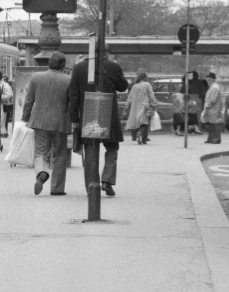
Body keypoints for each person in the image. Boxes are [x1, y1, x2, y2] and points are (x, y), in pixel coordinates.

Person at [69, 45, 129, 197]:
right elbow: (123, 86)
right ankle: (107, 180)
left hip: (89, 112)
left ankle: (91, 185)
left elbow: (74, 95)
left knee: (90, 150)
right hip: (109, 114)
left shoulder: (79, 68)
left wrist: (74, 119)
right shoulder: (113, 66)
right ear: (107, 52)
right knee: (112, 148)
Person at [22, 52, 72, 195]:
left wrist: (25, 117)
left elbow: (29, 99)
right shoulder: (69, 79)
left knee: (40, 152)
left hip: (40, 121)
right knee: (60, 155)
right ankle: (57, 188)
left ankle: (42, 172)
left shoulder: (36, 77)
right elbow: (73, 102)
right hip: (60, 123)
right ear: (63, 65)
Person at [124, 72, 157, 145]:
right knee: (145, 123)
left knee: (138, 122)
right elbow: (151, 94)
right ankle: (141, 135)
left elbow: (130, 97)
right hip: (145, 106)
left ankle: (141, 137)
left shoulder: (135, 86)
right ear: (144, 78)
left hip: (135, 107)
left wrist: (126, 107)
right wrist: (154, 103)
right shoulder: (147, 84)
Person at [201, 72, 224, 144]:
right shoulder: (213, 87)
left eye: (208, 79)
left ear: (211, 80)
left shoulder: (215, 87)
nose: (207, 81)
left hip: (213, 109)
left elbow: (213, 99)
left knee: (214, 124)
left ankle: (216, 139)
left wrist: (207, 105)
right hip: (212, 109)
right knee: (211, 124)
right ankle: (211, 138)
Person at [0, 71, 14, 139]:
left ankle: (3, 133)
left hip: (2, 105)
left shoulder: (5, 85)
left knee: (2, 119)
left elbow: (10, 95)